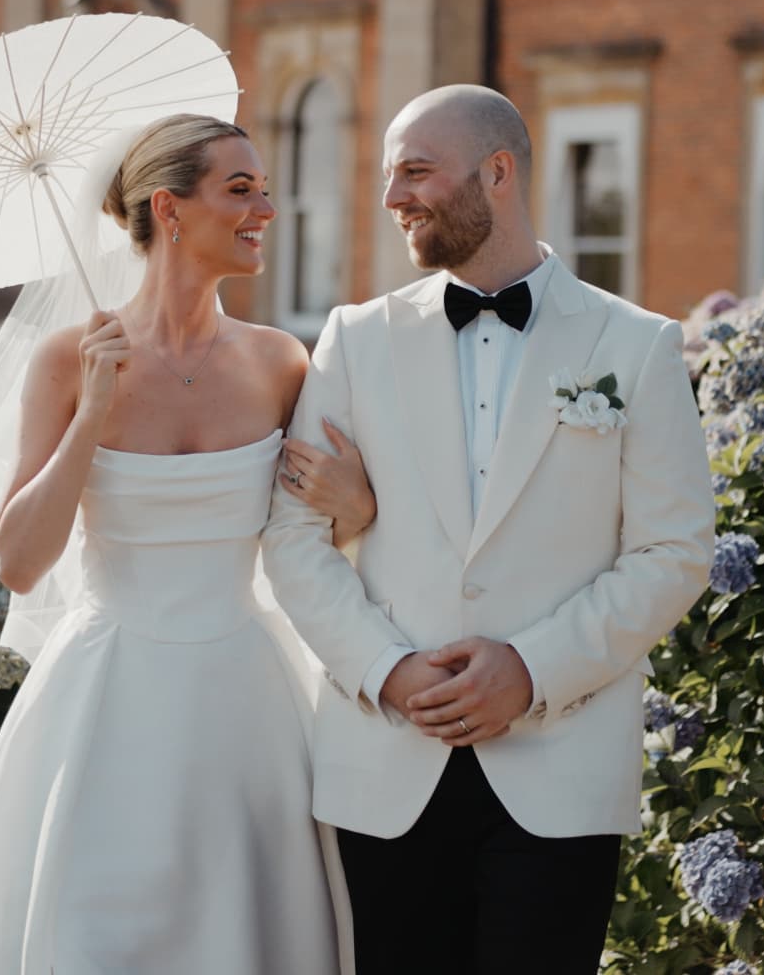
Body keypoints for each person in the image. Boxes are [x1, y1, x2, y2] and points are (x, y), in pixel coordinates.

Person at [261, 85, 717, 974]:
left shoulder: (637, 345)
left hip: (561, 767)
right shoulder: (354, 339)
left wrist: (533, 669)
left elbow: (674, 552)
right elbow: (291, 537)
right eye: (390, 176)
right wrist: (387, 671)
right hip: (386, 765)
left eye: (416, 172)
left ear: (497, 172)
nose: (393, 197)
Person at [0, 114, 364, 975]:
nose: (266, 209)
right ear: (169, 208)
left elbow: (320, 541)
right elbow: (19, 562)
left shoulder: (281, 363)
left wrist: (356, 502)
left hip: (248, 705)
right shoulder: (67, 359)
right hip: (106, 697)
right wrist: (92, 411)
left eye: (265, 188)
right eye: (240, 189)